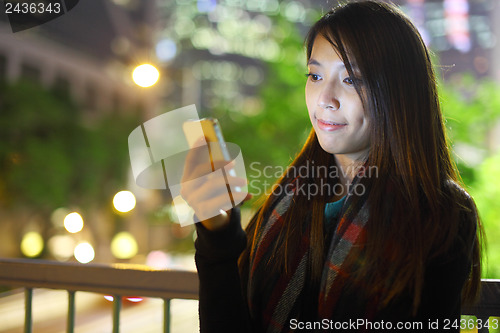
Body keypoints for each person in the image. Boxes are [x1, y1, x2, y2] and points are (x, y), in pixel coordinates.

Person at [180, 1, 483, 332]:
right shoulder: (288, 199)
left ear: (399, 93)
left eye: (352, 79)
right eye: (315, 75)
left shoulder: (439, 211)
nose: (325, 97)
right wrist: (217, 231)